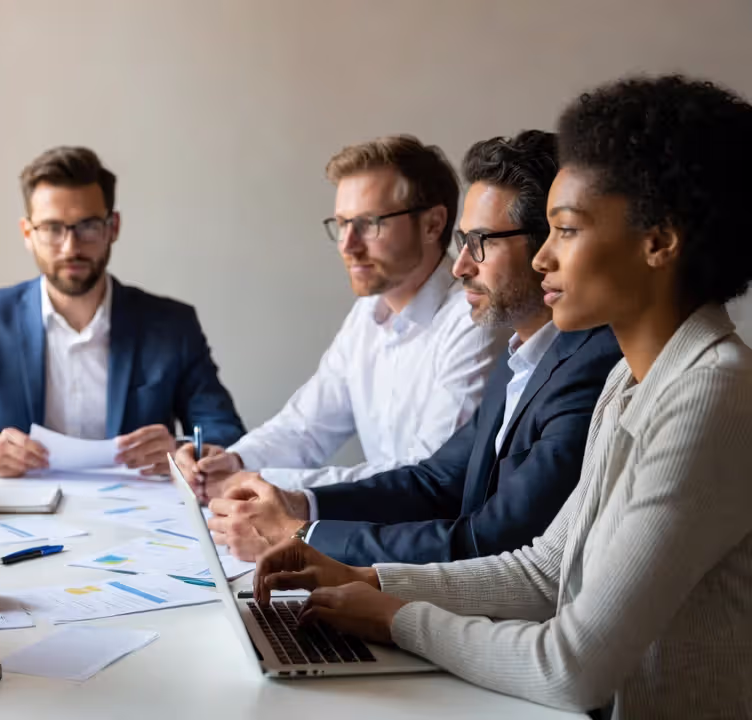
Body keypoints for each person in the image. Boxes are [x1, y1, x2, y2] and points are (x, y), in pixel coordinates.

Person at [253, 76, 752, 719]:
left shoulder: (714, 397)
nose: (542, 258)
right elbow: (546, 571)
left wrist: (395, 617)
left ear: (658, 241)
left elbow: (571, 668)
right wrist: (365, 580)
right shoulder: (631, 383)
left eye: (565, 231)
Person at [207, 131, 622, 563]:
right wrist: (298, 505)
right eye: (342, 224)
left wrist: (301, 537)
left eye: (479, 242)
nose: (461, 266)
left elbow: (494, 540)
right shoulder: (522, 356)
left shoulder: (582, 363)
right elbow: (434, 480)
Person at [175, 136, 506, 501]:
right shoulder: (368, 312)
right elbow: (306, 427)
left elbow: (427, 476)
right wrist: (233, 461)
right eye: (342, 224)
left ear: (432, 224)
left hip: (435, 547)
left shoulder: (472, 321)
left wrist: (266, 484)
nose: (348, 245)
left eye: (368, 224)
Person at [0, 146, 245, 477]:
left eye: (87, 227)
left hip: (143, 514)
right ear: (28, 234)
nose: (70, 247)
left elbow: (224, 430)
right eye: (53, 228)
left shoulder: (172, 325)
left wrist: (182, 449)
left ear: (113, 227)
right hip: (24, 516)